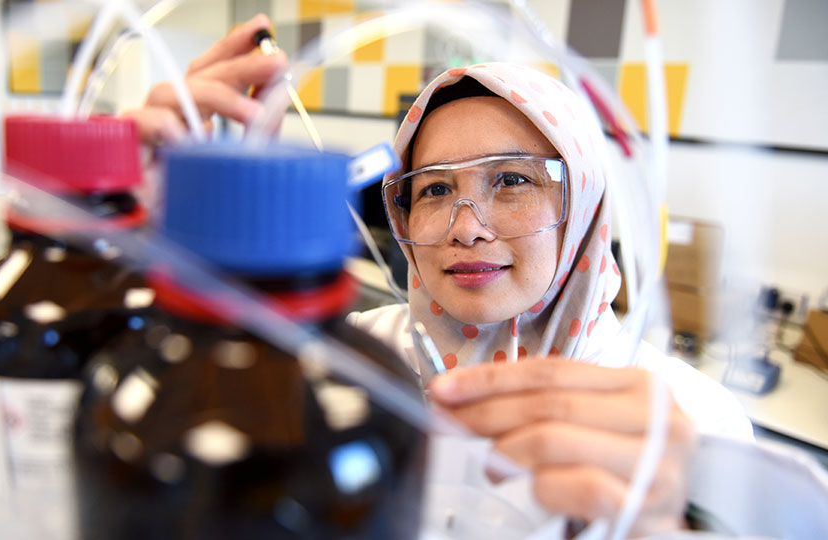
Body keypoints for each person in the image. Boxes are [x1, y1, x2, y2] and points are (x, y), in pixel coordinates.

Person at [128, 14, 752, 537]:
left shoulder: (686, 421)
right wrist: (147, 229)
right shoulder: (347, 361)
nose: (466, 228)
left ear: (584, 204)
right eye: (433, 189)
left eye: (512, 180)